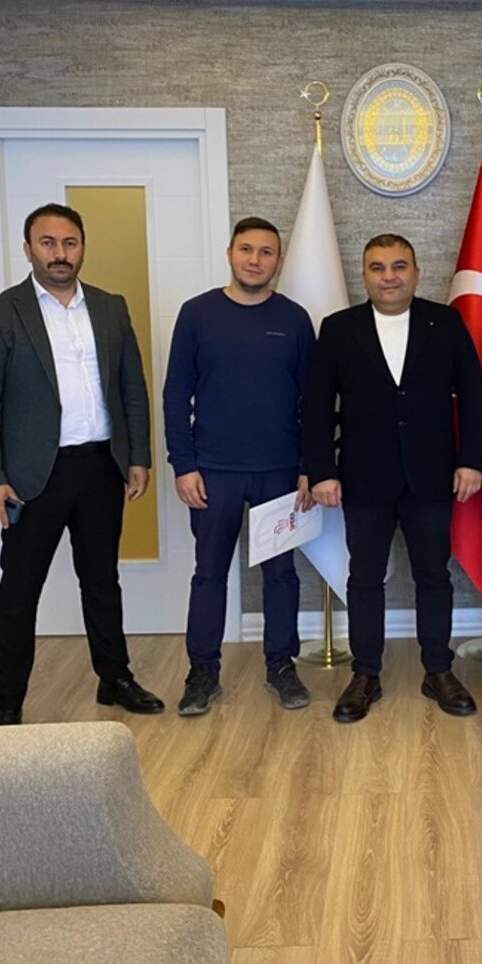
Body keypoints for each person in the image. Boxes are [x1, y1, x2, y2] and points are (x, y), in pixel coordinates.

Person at [0, 202, 163, 725]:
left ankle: (114, 678)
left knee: (101, 580)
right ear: (28, 249)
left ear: (82, 248)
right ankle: (8, 703)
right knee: (19, 591)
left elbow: (132, 389)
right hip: (32, 479)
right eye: (47, 243)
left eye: (69, 243)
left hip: (100, 467)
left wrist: (137, 456)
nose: (59, 253)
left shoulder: (110, 307)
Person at [303, 234, 482, 722]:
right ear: (364, 275)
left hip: (432, 475)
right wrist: (321, 470)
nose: (389, 276)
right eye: (378, 267)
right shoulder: (339, 328)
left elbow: (473, 394)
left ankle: (438, 670)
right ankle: (366, 674)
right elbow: (316, 405)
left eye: (399, 266)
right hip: (363, 478)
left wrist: (471, 460)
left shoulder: (445, 322)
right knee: (364, 578)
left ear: (416, 272)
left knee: (434, 577)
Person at [163, 217, 315, 716]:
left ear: (278, 261)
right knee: (209, 573)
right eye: (246, 249)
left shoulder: (294, 319)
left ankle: (281, 665)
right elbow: (175, 394)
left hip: (279, 471)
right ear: (230, 253)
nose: (255, 259)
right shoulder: (197, 314)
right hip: (213, 471)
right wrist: (183, 464)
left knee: (281, 574)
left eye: (266, 252)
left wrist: (308, 465)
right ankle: (203, 672)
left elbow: (313, 401)